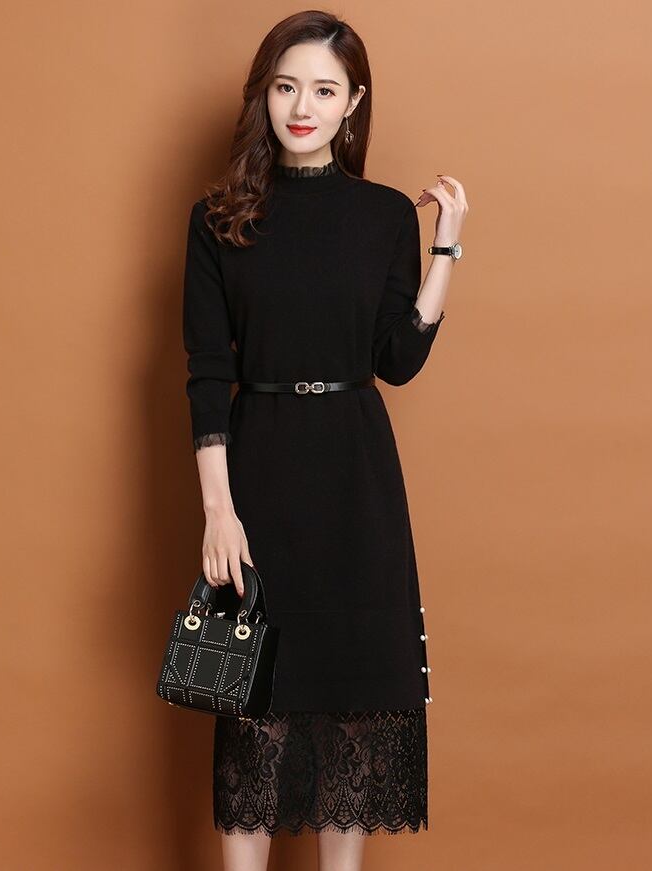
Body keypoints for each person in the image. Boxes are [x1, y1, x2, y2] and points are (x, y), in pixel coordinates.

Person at [181, 10, 468, 871]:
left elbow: (397, 359)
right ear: (263, 95)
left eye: (323, 89)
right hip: (258, 472)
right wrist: (218, 511)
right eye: (285, 86)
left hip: (356, 480)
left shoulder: (382, 215)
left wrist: (445, 249)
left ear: (353, 102)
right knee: (254, 709)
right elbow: (207, 370)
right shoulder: (218, 217)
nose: (301, 107)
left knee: (352, 708)